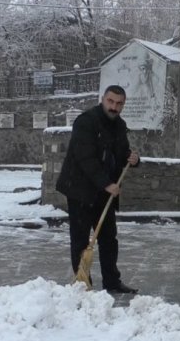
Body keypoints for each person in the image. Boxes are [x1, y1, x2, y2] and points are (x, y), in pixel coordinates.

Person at [56, 85, 140, 294]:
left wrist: (133, 159)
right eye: (111, 101)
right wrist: (107, 183)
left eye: (119, 103)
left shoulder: (119, 126)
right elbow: (86, 159)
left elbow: (119, 153)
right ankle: (82, 282)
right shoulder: (85, 122)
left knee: (108, 239)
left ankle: (112, 281)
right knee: (81, 238)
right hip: (80, 190)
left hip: (104, 193)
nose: (114, 107)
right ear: (103, 99)